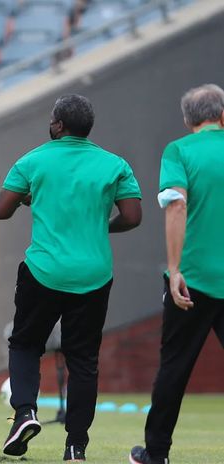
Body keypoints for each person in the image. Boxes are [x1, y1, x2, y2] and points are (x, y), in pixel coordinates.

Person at [0, 94, 142, 462]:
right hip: (93, 273)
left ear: (58, 125)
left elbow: (0, 210)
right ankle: (76, 445)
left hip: (43, 270)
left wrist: (30, 198)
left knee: (25, 345)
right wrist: (100, 226)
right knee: (83, 360)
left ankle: (25, 413)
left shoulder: (34, 159)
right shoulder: (114, 164)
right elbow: (133, 216)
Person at [130, 84, 224, 464]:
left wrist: (174, 269)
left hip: (195, 278)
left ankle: (156, 454)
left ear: (188, 121)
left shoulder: (179, 151)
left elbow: (175, 208)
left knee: (175, 366)